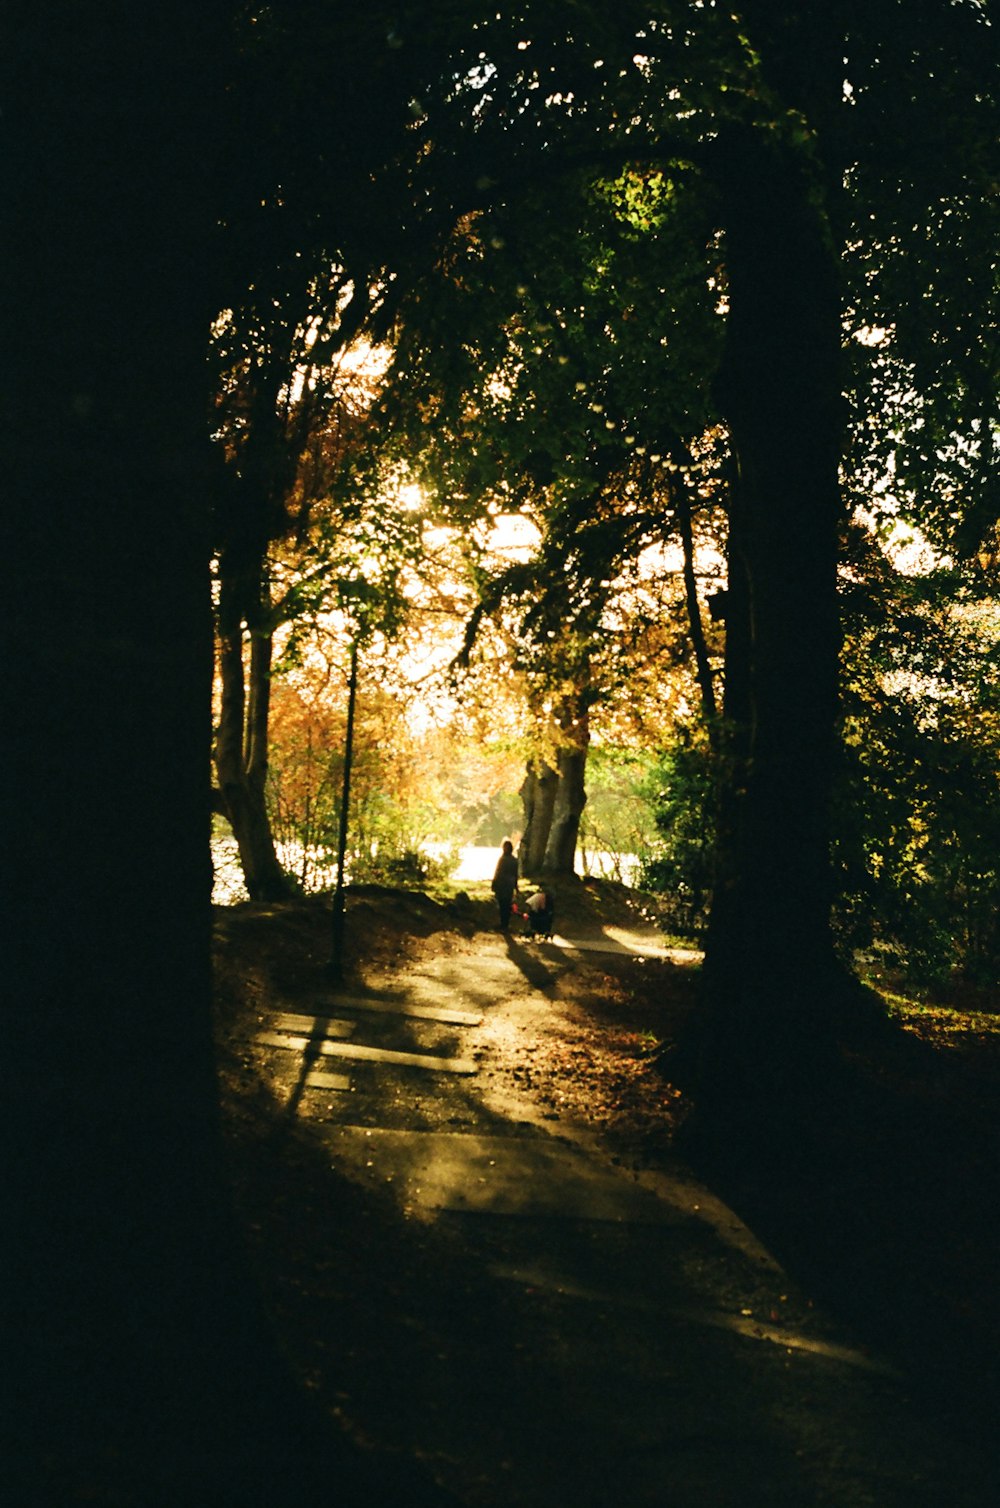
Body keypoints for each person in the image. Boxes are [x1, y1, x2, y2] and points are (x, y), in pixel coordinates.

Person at [490, 840, 519, 931]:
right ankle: (506, 924)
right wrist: (516, 887)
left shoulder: (502, 859)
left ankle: (503, 924)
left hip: (502, 885)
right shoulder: (514, 860)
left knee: (502, 904)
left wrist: (494, 883)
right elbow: (515, 875)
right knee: (507, 904)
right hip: (509, 885)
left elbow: (498, 872)